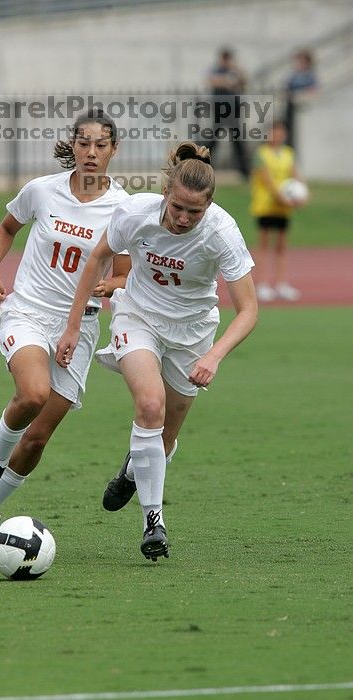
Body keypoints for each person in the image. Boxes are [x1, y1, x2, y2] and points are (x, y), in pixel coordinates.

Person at [56, 141, 258, 562]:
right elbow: (97, 260)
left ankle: (133, 469)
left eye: (195, 212)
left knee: (165, 437)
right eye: (178, 207)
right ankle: (153, 522)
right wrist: (74, 325)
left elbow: (248, 310)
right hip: (138, 316)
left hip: (193, 334)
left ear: (209, 207)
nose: (183, 218)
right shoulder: (135, 214)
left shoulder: (222, 233)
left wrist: (213, 356)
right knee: (150, 406)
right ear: (166, 192)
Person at [0, 109, 130, 541]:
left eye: (100, 145)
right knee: (33, 393)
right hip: (29, 311)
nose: (91, 152)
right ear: (72, 145)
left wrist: (106, 284)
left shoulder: (125, 208)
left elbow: (125, 272)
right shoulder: (42, 190)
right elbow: (7, 227)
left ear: (114, 149)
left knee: (37, 438)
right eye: (83, 143)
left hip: (81, 326)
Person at [250, 120, 305, 302]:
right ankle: (263, 284)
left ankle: (281, 283)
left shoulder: (289, 154)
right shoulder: (261, 154)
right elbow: (266, 179)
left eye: (281, 132)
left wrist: (302, 193)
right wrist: (283, 197)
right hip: (266, 205)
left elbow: (295, 175)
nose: (278, 136)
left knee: (281, 246)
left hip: (283, 208)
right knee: (264, 245)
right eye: (274, 132)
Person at [206, 47, 250, 179]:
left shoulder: (235, 70)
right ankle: (205, 165)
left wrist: (235, 70)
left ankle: (244, 170)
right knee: (213, 140)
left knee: (237, 140)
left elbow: (243, 81)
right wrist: (227, 81)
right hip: (220, 109)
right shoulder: (216, 69)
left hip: (233, 109)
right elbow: (212, 80)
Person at [284, 49, 318, 150]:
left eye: (301, 61)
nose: (298, 64)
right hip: (291, 105)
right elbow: (286, 88)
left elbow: (313, 90)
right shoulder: (294, 75)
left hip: (301, 106)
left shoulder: (309, 75)